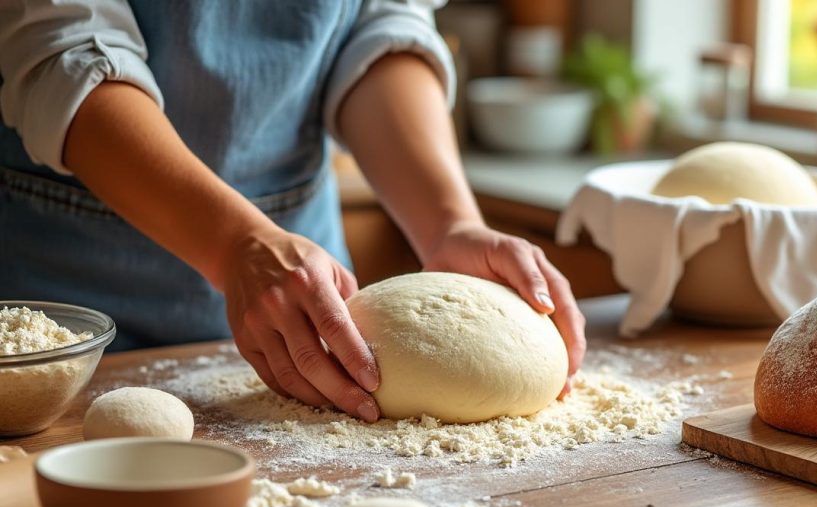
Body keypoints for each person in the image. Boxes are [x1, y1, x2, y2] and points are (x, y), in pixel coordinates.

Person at [0, 0, 586, 423]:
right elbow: (64, 52)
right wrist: (233, 244)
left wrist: (448, 221)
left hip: (311, 298)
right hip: (62, 307)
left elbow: (377, 26)